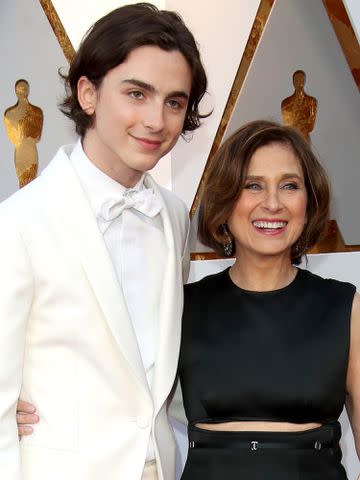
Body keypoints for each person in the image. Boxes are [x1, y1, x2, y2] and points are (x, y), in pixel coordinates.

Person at [1, 3, 208, 480]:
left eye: (174, 102)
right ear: (88, 93)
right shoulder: (18, 224)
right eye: (137, 93)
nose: (157, 120)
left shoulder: (174, 217)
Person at [178, 120, 360, 479]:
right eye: (253, 186)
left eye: (289, 186)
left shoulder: (345, 308)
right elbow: (122, 406)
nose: (273, 203)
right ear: (225, 201)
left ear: (309, 201)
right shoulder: (183, 307)